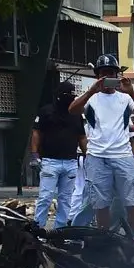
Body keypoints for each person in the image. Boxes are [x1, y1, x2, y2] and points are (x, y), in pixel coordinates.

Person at [67, 54, 134, 240]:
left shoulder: (124, 98)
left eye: (111, 73)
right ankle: (104, 243)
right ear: (98, 76)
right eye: (103, 74)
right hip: (97, 157)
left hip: (123, 156)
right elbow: (72, 110)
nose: (107, 78)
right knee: (100, 204)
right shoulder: (91, 98)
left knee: (131, 202)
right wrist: (91, 91)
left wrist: (132, 92)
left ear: (117, 75)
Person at [30, 81, 85, 229]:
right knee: (45, 198)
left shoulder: (76, 115)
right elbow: (36, 132)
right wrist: (34, 154)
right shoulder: (45, 111)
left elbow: (81, 137)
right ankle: (37, 228)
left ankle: (60, 231)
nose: (70, 97)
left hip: (70, 162)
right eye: (67, 94)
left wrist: (88, 156)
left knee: (66, 199)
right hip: (50, 161)